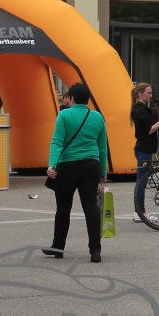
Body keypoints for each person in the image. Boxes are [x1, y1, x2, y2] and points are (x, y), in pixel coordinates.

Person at [45, 82, 109, 262]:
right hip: (91, 166)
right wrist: (103, 171)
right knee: (91, 208)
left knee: (63, 208)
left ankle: (58, 248)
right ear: (88, 99)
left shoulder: (64, 115)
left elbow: (57, 141)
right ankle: (95, 251)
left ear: (71, 98)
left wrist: (52, 165)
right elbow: (102, 147)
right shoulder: (98, 117)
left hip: (67, 166)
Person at [129, 82, 159, 222]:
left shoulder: (144, 109)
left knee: (143, 181)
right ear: (140, 94)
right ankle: (139, 211)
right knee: (141, 182)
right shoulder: (140, 110)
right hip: (144, 149)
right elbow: (149, 130)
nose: (151, 95)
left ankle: (140, 211)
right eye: (148, 93)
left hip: (146, 149)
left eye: (151, 93)